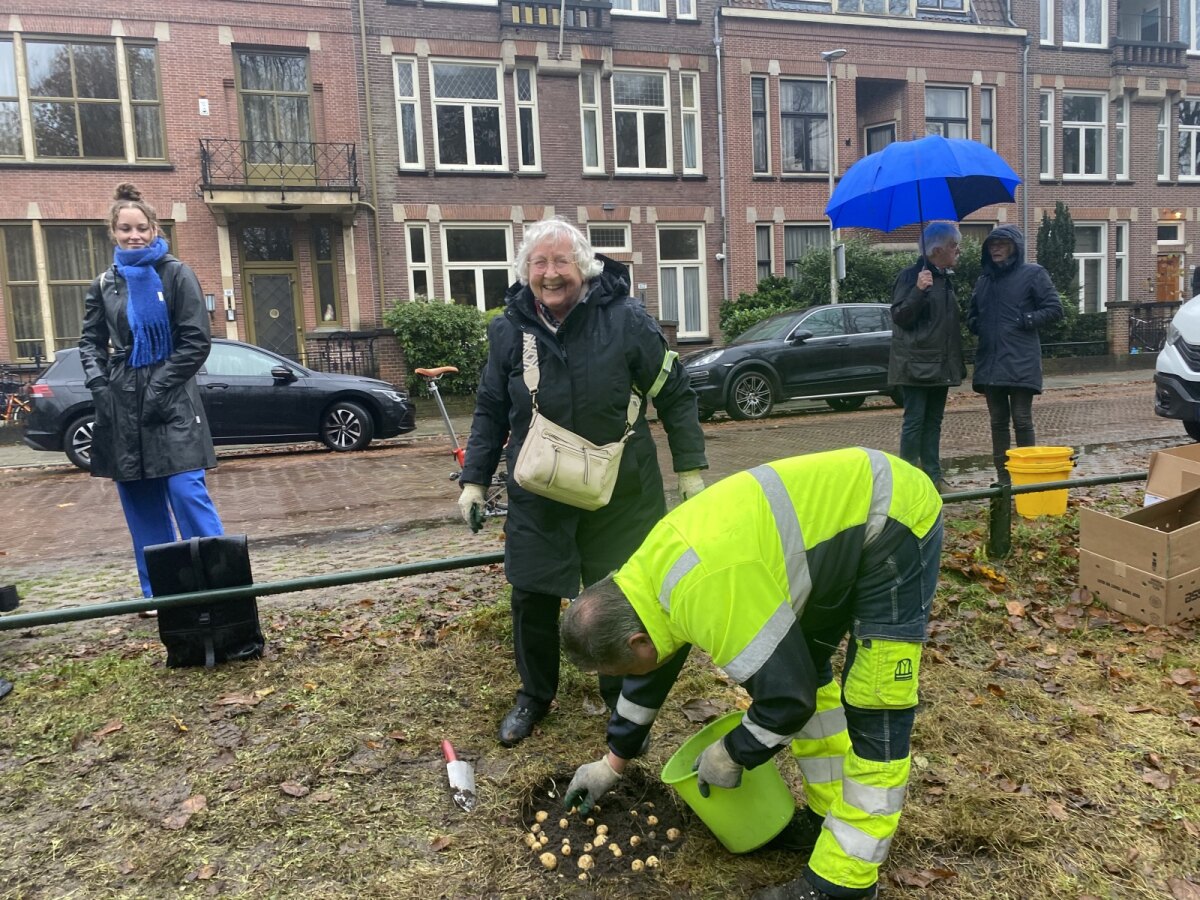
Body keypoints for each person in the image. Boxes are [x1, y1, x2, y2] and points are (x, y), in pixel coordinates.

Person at [561, 448, 943, 900]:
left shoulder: (707, 589)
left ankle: (845, 881)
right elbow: (653, 668)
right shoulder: (642, 581)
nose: (625, 677)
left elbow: (787, 701)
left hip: (892, 521)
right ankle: (826, 817)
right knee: (814, 672)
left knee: (877, 708)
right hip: (828, 538)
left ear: (636, 644)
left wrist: (734, 752)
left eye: (620, 670)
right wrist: (613, 762)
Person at [458, 217, 708, 747]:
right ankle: (535, 695)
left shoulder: (626, 320)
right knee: (530, 596)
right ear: (527, 271)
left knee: (621, 596)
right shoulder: (508, 331)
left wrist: (690, 472)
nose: (551, 274)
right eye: (540, 263)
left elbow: (676, 393)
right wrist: (474, 481)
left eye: (561, 262)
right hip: (539, 493)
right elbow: (490, 410)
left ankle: (623, 697)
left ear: (584, 267)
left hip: (620, 493)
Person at [79, 183, 224, 601]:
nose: (134, 235)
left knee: (185, 491)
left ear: (155, 228)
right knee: (140, 503)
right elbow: (89, 342)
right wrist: (99, 385)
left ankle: (221, 581)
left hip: (172, 400)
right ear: (113, 232)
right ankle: (161, 595)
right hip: (121, 402)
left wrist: (160, 389)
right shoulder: (104, 284)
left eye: (141, 227)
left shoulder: (176, 273)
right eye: (125, 229)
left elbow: (196, 341)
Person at [968, 225, 1063, 484]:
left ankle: (1026, 479)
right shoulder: (983, 280)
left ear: (1015, 247)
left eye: (1002, 244)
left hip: (1021, 359)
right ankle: (1003, 479)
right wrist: (978, 324)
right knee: (997, 422)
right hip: (990, 362)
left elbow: (1054, 309)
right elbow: (972, 315)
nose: (996, 248)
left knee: (1021, 419)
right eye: (992, 244)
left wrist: (1026, 320)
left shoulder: (1033, 274)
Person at [888, 221, 966, 493]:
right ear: (936, 250)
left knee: (934, 422)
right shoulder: (911, 277)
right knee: (915, 421)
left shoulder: (945, 279)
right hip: (916, 365)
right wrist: (918, 291)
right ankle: (908, 481)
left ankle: (933, 477)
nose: (958, 250)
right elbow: (900, 318)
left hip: (939, 364)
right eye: (954, 245)